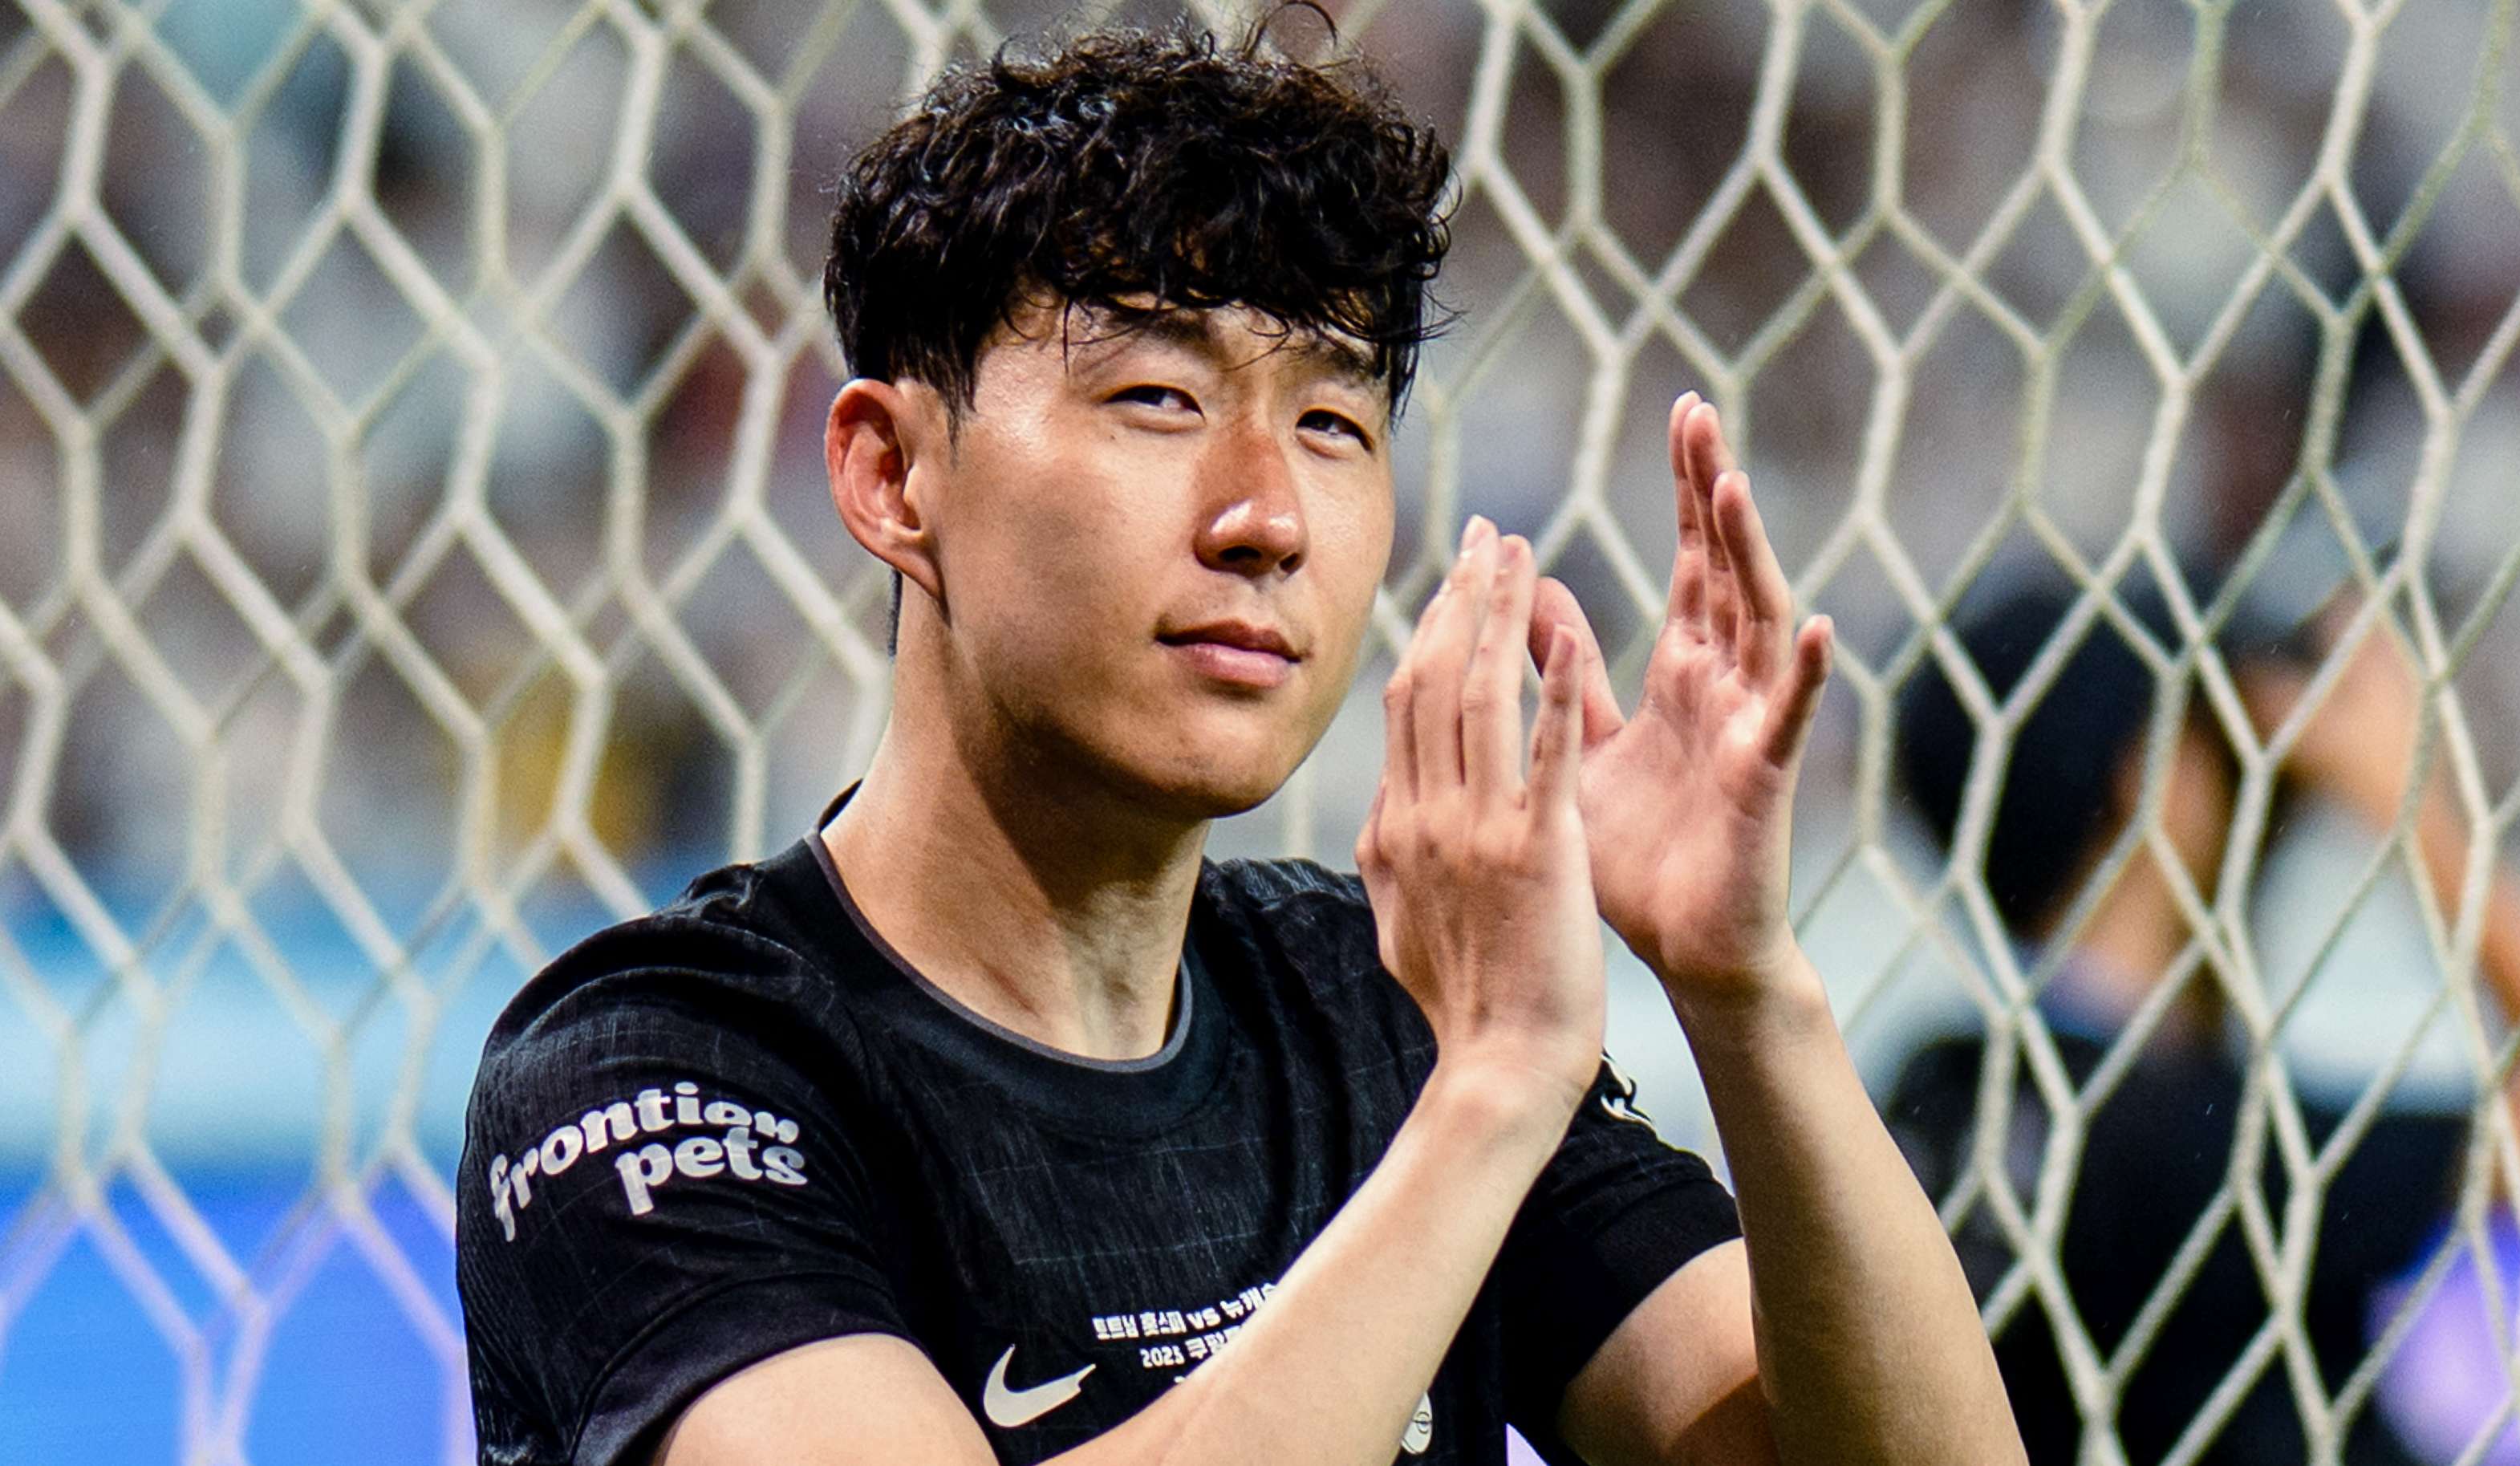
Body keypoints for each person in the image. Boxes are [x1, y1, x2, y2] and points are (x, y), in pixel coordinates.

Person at [454, 21, 2027, 1466]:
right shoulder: (662, 1071)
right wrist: (1485, 1098)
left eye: (1332, 424)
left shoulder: (1380, 1001)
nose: (1266, 516)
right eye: (1154, 396)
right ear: (890, 474)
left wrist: (1743, 992)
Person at [1885, 577, 2520, 1465]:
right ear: (2149, 779)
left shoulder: (1933, 1094)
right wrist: (2408, 797)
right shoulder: (2201, 1151)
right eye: (2213, 736)